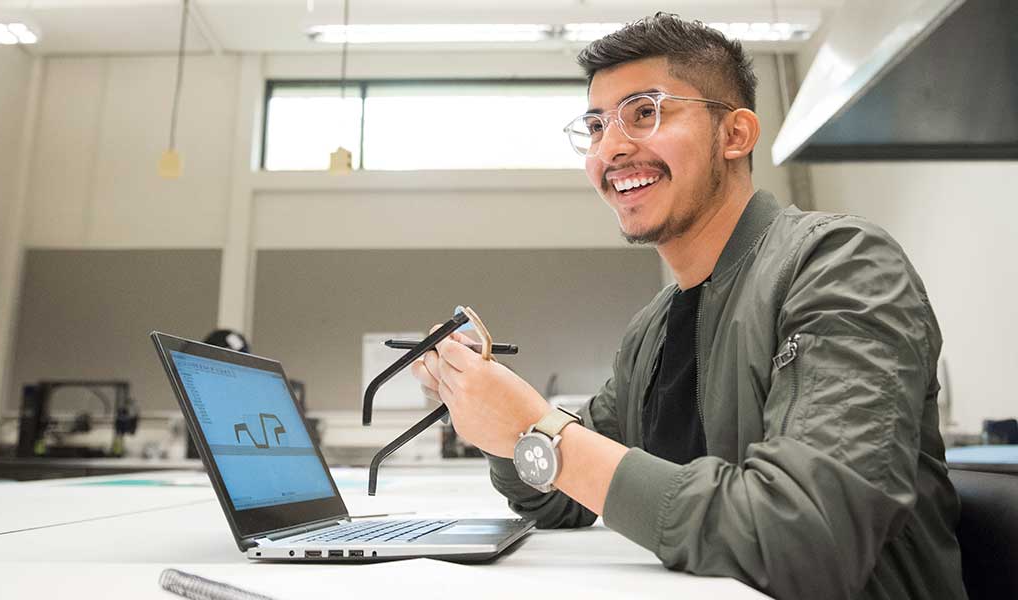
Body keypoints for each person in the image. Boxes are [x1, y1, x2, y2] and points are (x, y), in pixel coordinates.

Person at [411, 14, 965, 600]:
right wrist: (493, 416)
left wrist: (540, 428)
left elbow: (806, 540)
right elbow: (558, 500)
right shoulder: (652, 329)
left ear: (735, 134)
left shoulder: (842, 264)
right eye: (596, 125)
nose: (613, 147)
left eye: (645, 112)